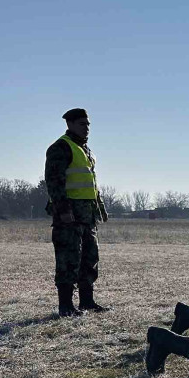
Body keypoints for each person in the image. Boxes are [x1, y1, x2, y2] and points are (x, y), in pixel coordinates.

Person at [44, 108, 110, 316]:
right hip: (69, 215)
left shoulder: (86, 150)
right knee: (68, 258)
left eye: (88, 124)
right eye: (82, 124)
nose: (87, 128)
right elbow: (54, 182)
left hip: (87, 214)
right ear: (70, 125)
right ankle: (66, 306)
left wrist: (99, 207)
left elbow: (91, 183)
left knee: (90, 258)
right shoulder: (60, 148)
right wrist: (63, 209)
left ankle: (87, 302)